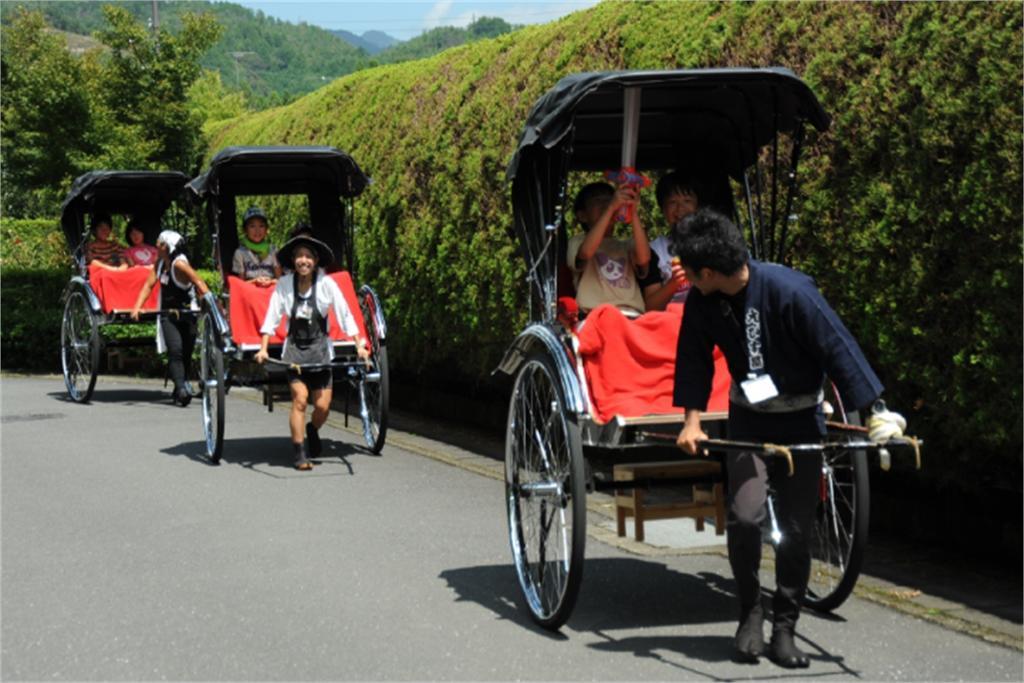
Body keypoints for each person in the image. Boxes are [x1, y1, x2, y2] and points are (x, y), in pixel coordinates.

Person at [671, 209, 906, 668]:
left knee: (797, 530)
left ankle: (785, 628)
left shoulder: (790, 291)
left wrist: (876, 412)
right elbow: (693, 357)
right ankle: (749, 614)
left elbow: (839, 348)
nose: (690, 282)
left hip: (800, 419)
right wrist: (692, 421)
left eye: (691, 273)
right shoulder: (704, 300)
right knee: (744, 517)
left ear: (708, 272)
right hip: (748, 419)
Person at [254, 234, 371, 470]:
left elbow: (345, 313)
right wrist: (264, 348)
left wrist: (359, 344)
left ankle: (312, 429)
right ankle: (299, 454)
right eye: (299, 256)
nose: (303, 261)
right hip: (295, 351)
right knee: (300, 400)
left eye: (308, 256)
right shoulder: (285, 284)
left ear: (315, 261)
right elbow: (272, 315)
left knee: (322, 407)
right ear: (293, 260)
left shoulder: (327, 285)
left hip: (320, 351)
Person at [130, 231, 211, 406]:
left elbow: (198, 281)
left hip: (189, 313)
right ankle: (182, 390)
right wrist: (138, 306)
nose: (155, 245)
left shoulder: (179, 264)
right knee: (175, 350)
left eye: (158, 243)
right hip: (168, 314)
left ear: (166, 247)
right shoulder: (160, 263)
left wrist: (211, 302)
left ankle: (179, 388)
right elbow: (148, 284)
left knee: (187, 353)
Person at [566, 182, 651, 317]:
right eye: (598, 200)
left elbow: (644, 258)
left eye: (609, 199)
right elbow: (585, 253)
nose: (605, 204)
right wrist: (611, 207)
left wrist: (632, 211)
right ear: (582, 215)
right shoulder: (577, 241)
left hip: (632, 315)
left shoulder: (625, 245)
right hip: (594, 315)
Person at [641, 172, 701, 311]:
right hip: (670, 323)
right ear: (663, 209)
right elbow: (650, 308)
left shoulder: (714, 243)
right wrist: (674, 283)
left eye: (687, 201)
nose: (680, 209)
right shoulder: (654, 250)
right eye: (672, 202)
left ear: (698, 206)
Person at [232, 206, 281, 287]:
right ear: (245, 230)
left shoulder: (273, 250)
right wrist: (255, 281)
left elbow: (280, 279)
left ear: (266, 229)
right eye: (252, 226)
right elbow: (240, 285)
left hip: (271, 293)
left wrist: (271, 282)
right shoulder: (240, 253)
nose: (257, 230)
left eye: (261, 226)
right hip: (250, 293)